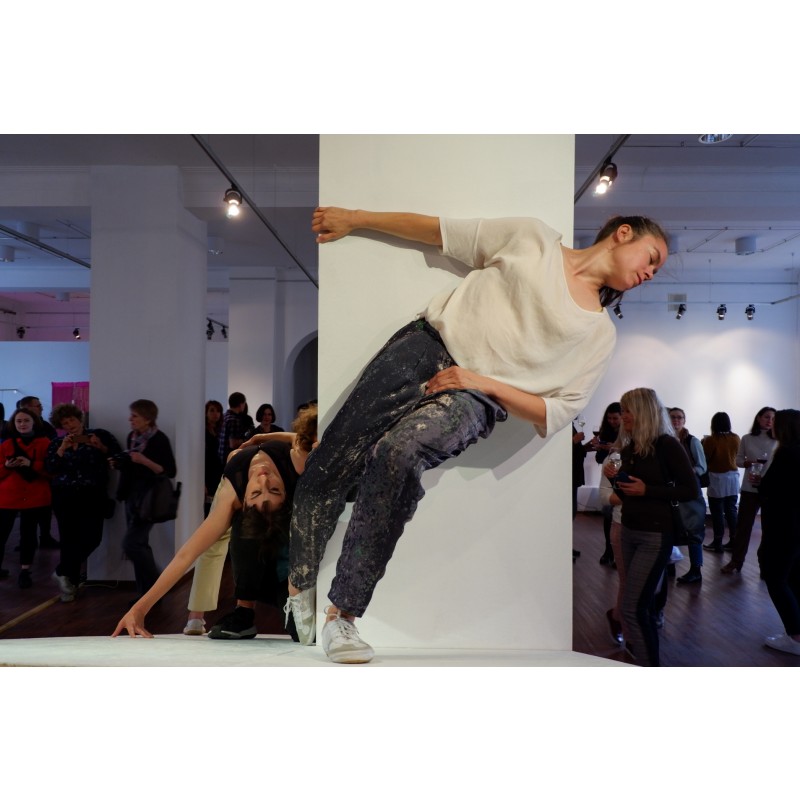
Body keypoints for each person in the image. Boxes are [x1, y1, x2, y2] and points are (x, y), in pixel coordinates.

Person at [283, 206, 669, 664]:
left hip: (477, 396)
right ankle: (298, 585)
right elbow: (439, 231)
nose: (651, 273)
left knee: (399, 455)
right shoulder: (534, 239)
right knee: (328, 464)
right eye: (652, 257)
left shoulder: (599, 333)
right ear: (623, 233)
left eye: (656, 270)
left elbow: (558, 410)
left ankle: (342, 614)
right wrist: (356, 218)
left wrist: (481, 382)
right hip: (424, 346)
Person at [112, 429, 304, 638]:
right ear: (242, 502)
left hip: (241, 486)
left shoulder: (236, 493)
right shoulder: (291, 465)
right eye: (270, 490)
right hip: (242, 486)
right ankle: (212, 613)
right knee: (213, 545)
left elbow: (186, 554)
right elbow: (187, 555)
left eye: (263, 491)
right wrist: (267, 437)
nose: (263, 480)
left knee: (269, 539)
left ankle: (280, 599)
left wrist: (140, 608)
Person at [182, 403, 317, 638]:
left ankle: (278, 605)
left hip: (276, 512)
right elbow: (188, 554)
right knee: (219, 541)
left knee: (282, 538)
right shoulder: (236, 483)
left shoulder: (296, 456)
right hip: (238, 484)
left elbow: (302, 440)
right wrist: (142, 607)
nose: (263, 480)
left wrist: (264, 437)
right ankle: (227, 612)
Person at [602, 388, 697, 666]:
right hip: (629, 529)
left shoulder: (667, 445)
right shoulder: (631, 447)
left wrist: (648, 490)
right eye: (622, 410)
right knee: (633, 605)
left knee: (634, 607)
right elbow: (627, 491)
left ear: (644, 412)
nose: (623, 416)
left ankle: (648, 663)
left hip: (655, 534)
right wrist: (615, 478)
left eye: (628, 411)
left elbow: (690, 489)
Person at [45, 403, 121, 602]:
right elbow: (50, 468)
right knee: (68, 540)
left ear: (80, 419)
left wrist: (100, 447)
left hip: (93, 494)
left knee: (93, 537)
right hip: (64, 495)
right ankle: (69, 586)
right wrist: (62, 449)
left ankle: (62, 571)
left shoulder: (100, 435)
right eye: (65, 423)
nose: (70, 425)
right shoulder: (56, 443)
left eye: (72, 420)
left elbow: (117, 457)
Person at [110, 399, 177, 599]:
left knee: (131, 544)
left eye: (134, 416)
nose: (130, 419)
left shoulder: (159, 439)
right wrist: (119, 463)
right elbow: (132, 467)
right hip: (131, 497)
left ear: (147, 419)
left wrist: (144, 460)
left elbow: (169, 471)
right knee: (140, 544)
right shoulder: (132, 437)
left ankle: (157, 586)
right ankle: (146, 595)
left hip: (149, 499)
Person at [756, 409, 800, 655]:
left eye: (775, 421)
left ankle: (795, 636)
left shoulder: (786, 454)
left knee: (776, 578)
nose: (771, 424)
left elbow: (773, 490)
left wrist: (761, 484)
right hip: (794, 527)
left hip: (784, 527)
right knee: (793, 577)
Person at [721, 407, 777, 574]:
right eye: (766, 417)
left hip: (770, 489)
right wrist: (747, 463)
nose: (769, 421)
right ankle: (736, 561)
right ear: (758, 418)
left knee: (769, 528)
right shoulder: (747, 438)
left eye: (773, 418)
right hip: (749, 488)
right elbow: (737, 460)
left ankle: (765, 564)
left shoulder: (778, 440)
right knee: (743, 527)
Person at [0, 408, 52, 587]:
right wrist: (7, 466)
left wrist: (31, 464)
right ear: (13, 424)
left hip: (34, 496)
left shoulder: (45, 443)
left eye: (26, 420)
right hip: (8, 497)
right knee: (2, 534)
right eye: (19, 421)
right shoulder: (6, 444)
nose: (22, 424)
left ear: (34, 422)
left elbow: (51, 470)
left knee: (28, 535)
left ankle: (25, 571)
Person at [669, 407, 709, 584]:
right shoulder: (663, 440)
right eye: (673, 417)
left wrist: (687, 472)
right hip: (670, 490)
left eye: (679, 417)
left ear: (684, 420)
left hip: (689, 490)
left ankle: (696, 569)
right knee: (670, 527)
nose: (676, 420)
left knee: (694, 529)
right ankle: (670, 564)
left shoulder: (692, 441)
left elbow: (702, 466)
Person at [15, 396, 59, 548]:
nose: (41, 408)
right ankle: (26, 541)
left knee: (45, 508)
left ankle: (45, 536)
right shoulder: (13, 429)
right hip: (20, 475)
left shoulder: (45, 427)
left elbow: (53, 447)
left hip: (42, 473)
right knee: (25, 511)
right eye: (38, 405)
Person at [701, 412, 741, 553]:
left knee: (717, 511)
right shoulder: (736, 437)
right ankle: (734, 540)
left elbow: (705, 458)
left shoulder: (711, 439)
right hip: (733, 476)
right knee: (731, 510)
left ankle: (717, 542)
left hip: (717, 477)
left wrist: (702, 443)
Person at [593, 402, 622, 566]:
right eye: (609, 418)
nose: (612, 421)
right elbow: (599, 459)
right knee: (607, 514)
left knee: (616, 517)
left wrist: (617, 448)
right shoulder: (606, 432)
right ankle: (608, 550)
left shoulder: (628, 434)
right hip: (609, 477)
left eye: (615, 418)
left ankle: (617, 554)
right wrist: (601, 449)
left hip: (621, 476)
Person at [204, 400, 224, 518]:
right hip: (207, 474)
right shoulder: (203, 432)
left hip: (216, 473)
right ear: (206, 413)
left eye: (218, 411)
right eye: (212, 411)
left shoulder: (217, 431)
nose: (215, 414)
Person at [218, 392, 251, 463]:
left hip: (220, 456)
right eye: (244, 403)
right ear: (240, 404)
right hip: (228, 459)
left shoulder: (224, 416)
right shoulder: (234, 420)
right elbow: (233, 444)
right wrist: (247, 439)